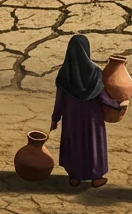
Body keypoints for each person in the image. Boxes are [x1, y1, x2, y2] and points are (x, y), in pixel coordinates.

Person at [50, 35, 126, 187]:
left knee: (75, 143)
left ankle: (74, 177)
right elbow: (103, 96)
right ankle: (96, 178)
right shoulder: (95, 72)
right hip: (92, 118)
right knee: (93, 144)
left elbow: (60, 100)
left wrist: (55, 118)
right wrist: (117, 105)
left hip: (72, 117)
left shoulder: (65, 73)